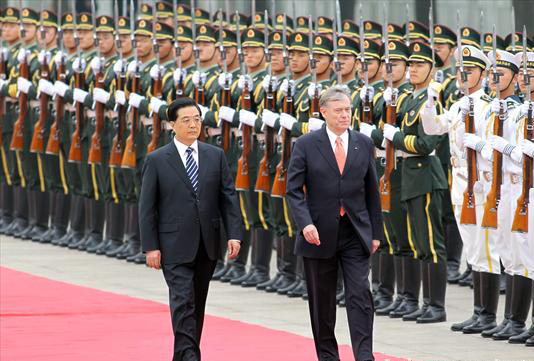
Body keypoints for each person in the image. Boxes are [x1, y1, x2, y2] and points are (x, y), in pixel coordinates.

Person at [139, 97, 243, 361]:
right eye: (186, 120)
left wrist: (234, 235)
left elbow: (228, 197)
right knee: (183, 301)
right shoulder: (158, 159)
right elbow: (147, 207)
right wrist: (150, 247)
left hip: (207, 244)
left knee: (196, 304)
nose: (193, 125)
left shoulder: (214, 155)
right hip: (173, 245)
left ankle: (184, 355)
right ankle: (190, 357)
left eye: (197, 119)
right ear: (171, 125)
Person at [286, 85, 384, 361]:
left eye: (348, 110)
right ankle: (327, 355)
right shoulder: (306, 144)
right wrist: (305, 224)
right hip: (318, 233)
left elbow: (371, 191)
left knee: (360, 295)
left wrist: (375, 232)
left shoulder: (363, 143)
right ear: (324, 112)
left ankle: (364, 355)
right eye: (339, 110)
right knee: (322, 301)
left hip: (354, 231)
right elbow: (293, 190)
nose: (345, 115)